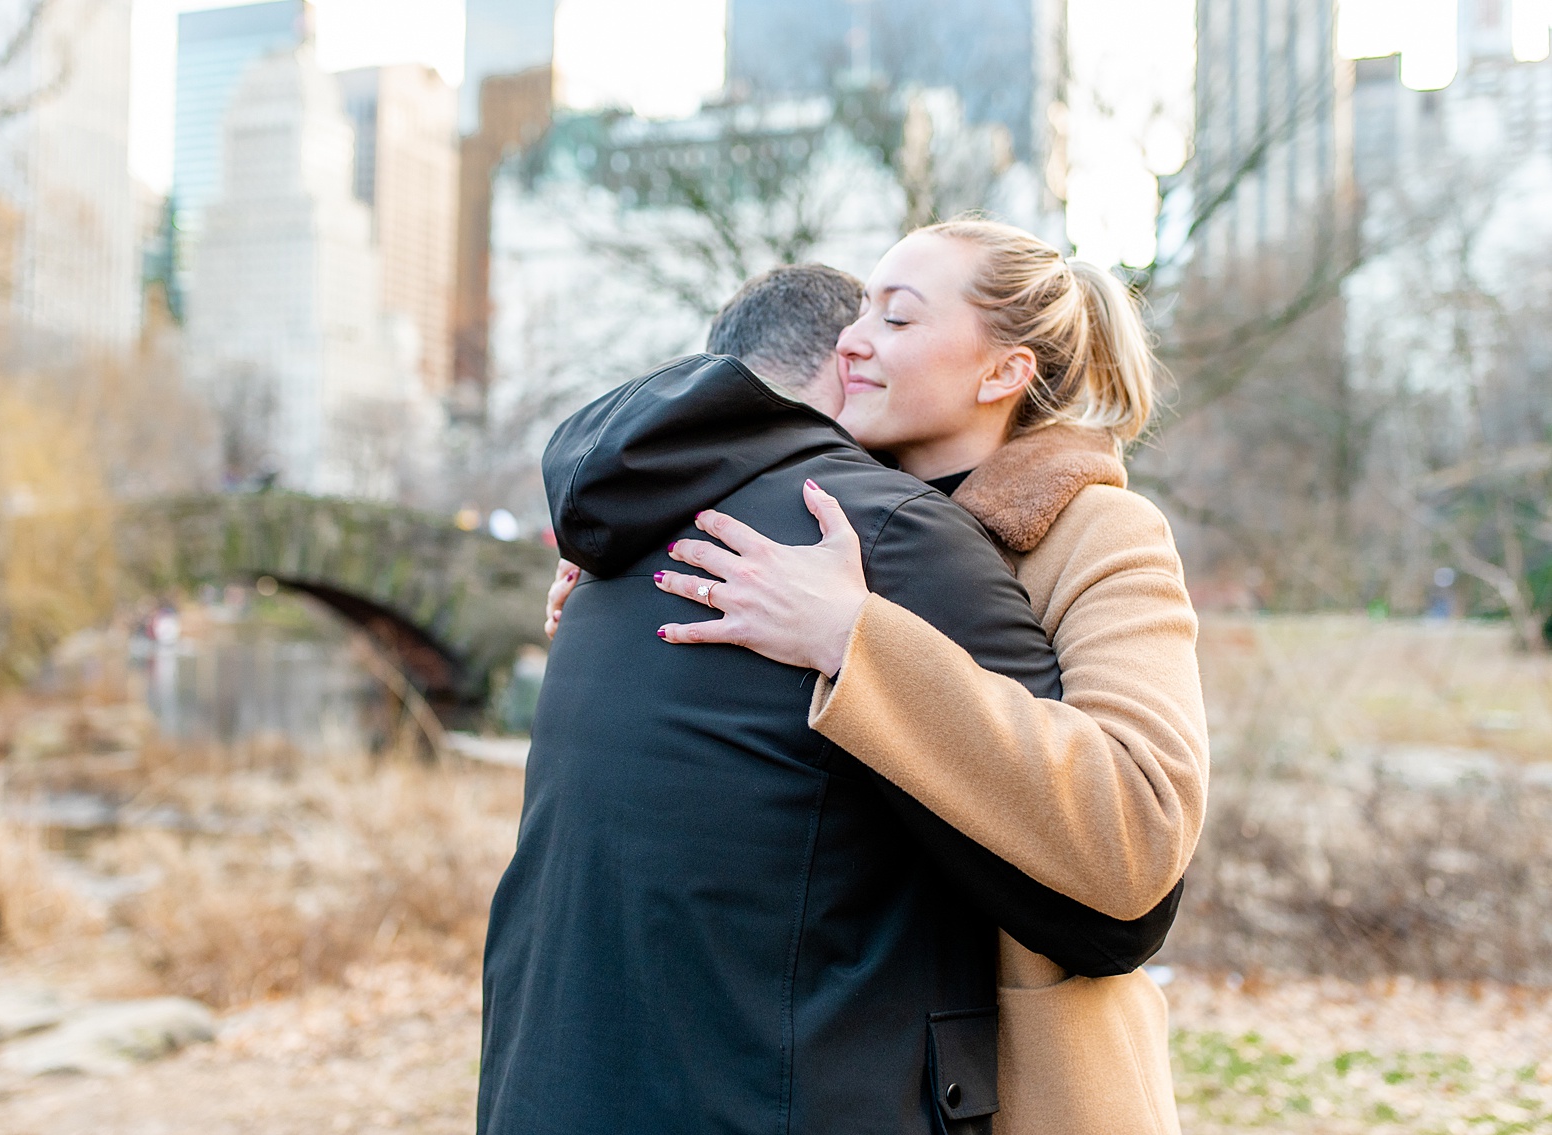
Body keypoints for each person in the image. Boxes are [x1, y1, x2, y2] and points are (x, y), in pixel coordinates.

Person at [482, 264, 1180, 1135]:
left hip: (1040, 1076)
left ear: (1001, 372)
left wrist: (853, 635)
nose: (857, 339)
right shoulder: (819, 527)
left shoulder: (1096, 531)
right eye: (861, 318)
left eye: (896, 317)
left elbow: (1136, 853)